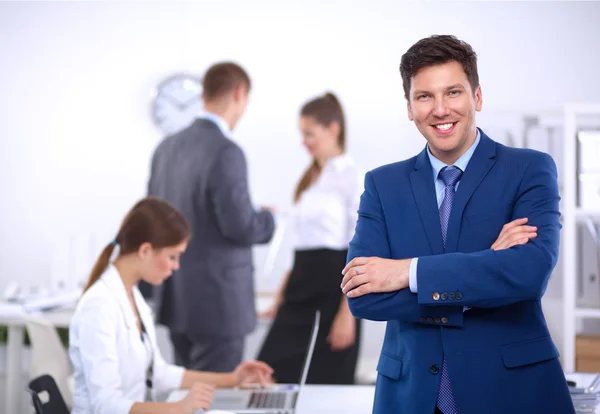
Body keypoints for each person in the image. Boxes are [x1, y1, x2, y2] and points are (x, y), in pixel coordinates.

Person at [340, 35, 575, 414]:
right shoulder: (383, 185)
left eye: (453, 92)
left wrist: (407, 272)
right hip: (412, 397)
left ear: (477, 97)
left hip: (512, 392)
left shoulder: (529, 169)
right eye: (424, 97)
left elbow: (528, 273)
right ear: (410, 108)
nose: (440, 109)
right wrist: (487, 268)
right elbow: (362, 294)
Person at [69, 197, 274, 414]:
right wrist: (178, 408)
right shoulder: (99, 306)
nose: (176, 266)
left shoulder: (132, 296)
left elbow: (158, 372)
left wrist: (233, 379)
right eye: (172, 256)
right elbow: (106, 405)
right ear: (145, 251)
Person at [147, 62, 276, 373]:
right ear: (239, 93)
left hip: (176, 298)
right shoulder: (226, 151)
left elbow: (151, 217)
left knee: (189, 395)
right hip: (219, 306)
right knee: (213, 399)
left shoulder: (165, 148)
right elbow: (241, 226)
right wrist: (267, 219)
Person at [257, 92, 363, 384]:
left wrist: (348, 314)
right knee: (267, 376)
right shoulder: (310, 180)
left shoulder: (353, 177)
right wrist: (281, 295)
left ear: (333, 129)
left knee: (325, 386)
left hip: (334, 290)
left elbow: (361, 249)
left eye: (309, 133)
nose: (304, 141)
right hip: (299, 288)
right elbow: (301, 245)